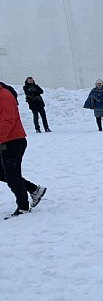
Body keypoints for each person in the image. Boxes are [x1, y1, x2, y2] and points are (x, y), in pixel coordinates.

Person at [0, 83, 47, 218]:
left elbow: (7, 120)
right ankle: (34, 189)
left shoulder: (4, 96)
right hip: (6, 140)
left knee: (12, 175)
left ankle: (23, 207)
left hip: (12, 141)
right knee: (3, 172)